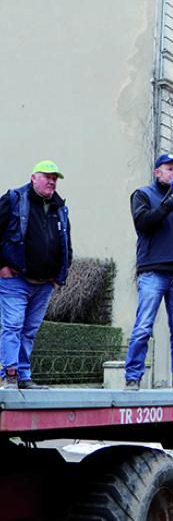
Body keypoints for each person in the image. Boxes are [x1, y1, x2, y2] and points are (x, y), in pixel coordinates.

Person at [124, 153, 173, 391]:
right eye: (170, 169)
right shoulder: (143, 195)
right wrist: (170, 203)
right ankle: (133, 377)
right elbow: (143, 223)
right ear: (158, 172)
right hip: (153, 271)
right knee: (144, 326)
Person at [0, 160, 72, 390]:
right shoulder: (14, 199)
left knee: (29, 331)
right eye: (47, 176)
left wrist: (59, 276)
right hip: (16, 278)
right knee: (12, 325)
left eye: (55, 178)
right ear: (34, 177)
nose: (52, 181)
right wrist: (2, 265)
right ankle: (8, 374)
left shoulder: (60, 207)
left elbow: (66, 243)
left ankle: (23, 375)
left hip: (44, 283)